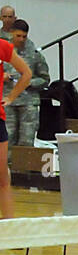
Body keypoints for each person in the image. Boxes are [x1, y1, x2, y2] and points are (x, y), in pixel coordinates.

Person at [0, 29, 29, 220]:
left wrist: (10, 97)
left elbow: (26, 73)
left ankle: (11, 229)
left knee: (2, 178)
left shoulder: (2, 46)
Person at [2, 21, 45, 149]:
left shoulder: (35, 54)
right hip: (7, 99)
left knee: (27, 138)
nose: (21, 39)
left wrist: (28, 82)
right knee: (7, 137)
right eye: (18, 36)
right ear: (11, 33)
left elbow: (44, 79)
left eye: (24, 36)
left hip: (28, 102)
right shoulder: (3, 50)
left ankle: (23, 168)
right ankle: (6, 167)